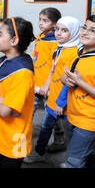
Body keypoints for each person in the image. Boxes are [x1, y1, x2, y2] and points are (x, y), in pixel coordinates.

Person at [0, 17, 36, 168]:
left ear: (14, 40)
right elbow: (3, 106)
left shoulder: (23, 73)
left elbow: (4, 111)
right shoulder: (4, 61)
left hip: (16, 139)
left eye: (0, 34)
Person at [24, 16, 80, 164]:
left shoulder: (73, 54)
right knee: (45, 128)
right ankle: (39, 153)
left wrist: (61, 103)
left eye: (64, 30)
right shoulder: (59, 49)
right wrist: (46, 86)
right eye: (57, 29)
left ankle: (71, 161)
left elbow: (69, 83)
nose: (58, 33)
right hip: (52, 98)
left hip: (65, 102)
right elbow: (53, 71)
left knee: (72, 133)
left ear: (74, 32)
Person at [60, 15, 95, 168]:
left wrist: (80, 83)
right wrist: (64, 79)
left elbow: (80, 81)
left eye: (92, 30)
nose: (85, 32)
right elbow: (66, 74)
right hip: (73, 114)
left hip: (89, 120)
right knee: (82, 156)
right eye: (85, 27)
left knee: (73, 160)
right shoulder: (79, 51)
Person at [32, 8, 61, 115]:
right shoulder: (39, 37)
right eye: (40, 19)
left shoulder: (55, 41)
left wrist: (46, 85)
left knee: (51, 113)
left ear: (54, 24)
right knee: (30, 110)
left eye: (45, 20)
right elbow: (36, 58)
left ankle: (58, 132)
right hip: (36, 82)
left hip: (47, 84)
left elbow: (55, 65)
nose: (40, 23)